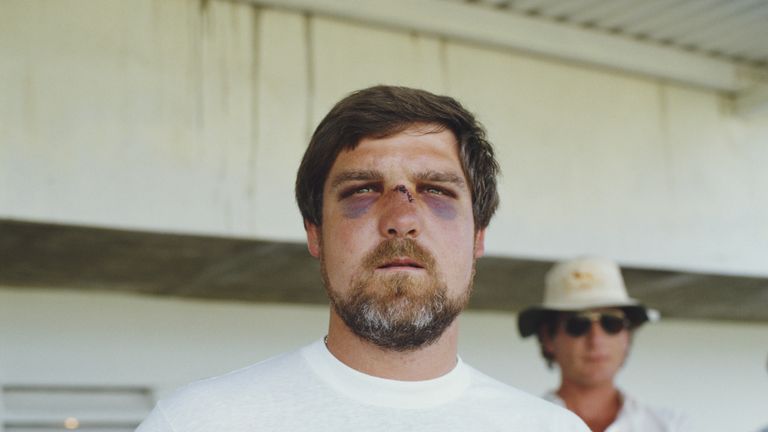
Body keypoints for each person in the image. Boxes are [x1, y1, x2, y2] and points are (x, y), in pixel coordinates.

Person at [136, 86, 589, 431]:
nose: (401, 219)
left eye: (435, 190)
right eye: (362, 190)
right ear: (316, 234)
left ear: (478, 238)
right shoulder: (196, 424)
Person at [518, 256, 691, 432]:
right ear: (548, 338)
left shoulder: (670, 426)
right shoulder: (518, 425)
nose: (596, 339)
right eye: (578, 325)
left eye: (611, 323)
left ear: (626, 336)